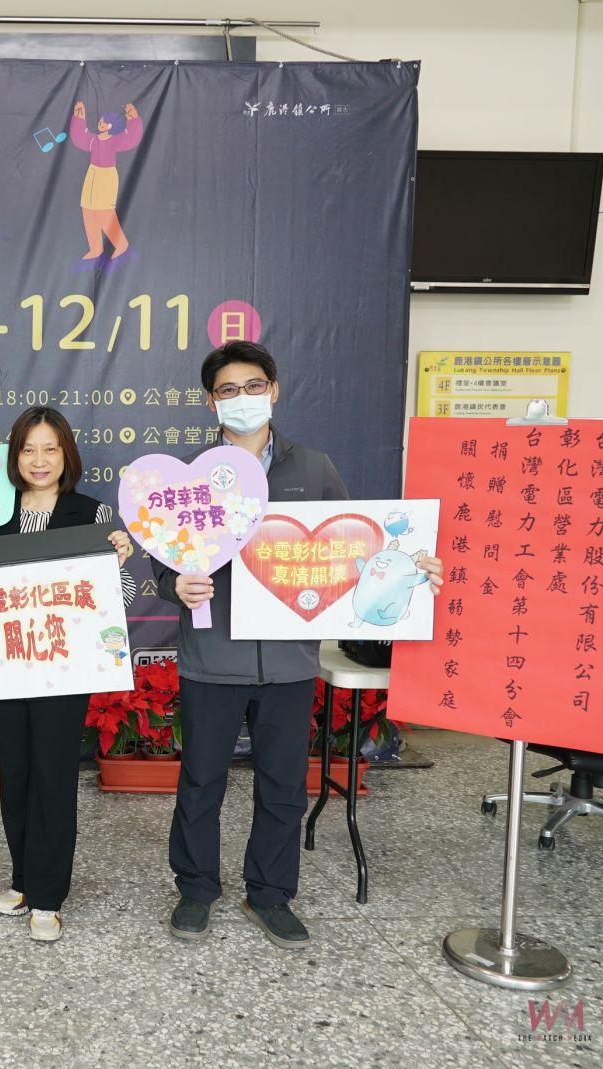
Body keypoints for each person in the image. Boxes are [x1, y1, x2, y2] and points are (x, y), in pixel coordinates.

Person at [154, 341, 443, 951]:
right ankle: (196, 888)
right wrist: (173, 583)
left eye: (253, 386)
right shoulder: (191, 476)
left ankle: (270, 893)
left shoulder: (313, 468)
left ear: (275, 391)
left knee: (284, 785)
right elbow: (161, 562)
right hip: (212, 659)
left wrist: (413, 566)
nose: (242, 399)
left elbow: (358, 551)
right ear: (210, 402)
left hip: (289, 660)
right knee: (201, 781)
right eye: (228, 390)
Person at [0, 407, 134, 942]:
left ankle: (48, 895)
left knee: (54, 776)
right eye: (28, 449)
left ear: (67, 455)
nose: (39, 461)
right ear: (14, 456)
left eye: (50, 449)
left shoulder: (92, 514)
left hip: (65, 668)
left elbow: (125, 597)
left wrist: (117, 563)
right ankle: (22, 879)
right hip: (7, 668)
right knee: (16, 773)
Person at [68, 100, 143, 261]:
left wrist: (133, 119)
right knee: (88, 209)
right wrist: (79, 118)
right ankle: (95, 248)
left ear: (112, 126)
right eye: (101, 121)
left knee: (103, 212)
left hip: (107, 176)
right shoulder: (93, 140)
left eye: (106, 122)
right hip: (92, 174)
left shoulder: (114, 140)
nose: (102, 123)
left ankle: (121, 244)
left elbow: (131, 138)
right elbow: (81, 138)